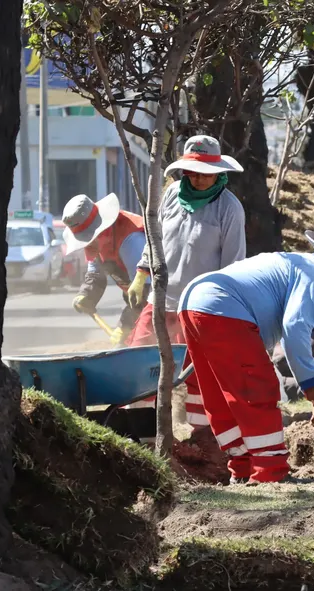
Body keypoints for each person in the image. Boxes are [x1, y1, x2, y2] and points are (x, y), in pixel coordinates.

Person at [177, 232, 314, 484]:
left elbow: (270, 335)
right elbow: (295, 328)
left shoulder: (295, 264)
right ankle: (270, 472)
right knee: (257, 389)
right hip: (223, 307)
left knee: (220, 392)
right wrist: (310, 381)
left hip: (194, 301)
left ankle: (243, 467)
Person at [125, 135, 247, 427]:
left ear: (218, 171)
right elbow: (155, 235)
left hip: (198, 309)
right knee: (138, 365)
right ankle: (139, 432)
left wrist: (223, 312)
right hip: (160, 299)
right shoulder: (171, 194)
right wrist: (142, 274)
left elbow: (234, 267)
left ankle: (200, 437)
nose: (199, 179)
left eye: (205, 173)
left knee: (197, 376)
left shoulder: (229, 209)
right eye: (193, 171)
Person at [62, 193, 147, 346]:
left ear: (101, 229)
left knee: (142, 345)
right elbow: (95, 273)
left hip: (159, 300)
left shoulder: (132, 240)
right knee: (126, 345)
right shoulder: (96, 243)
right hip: (137, 300)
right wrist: (86, 295)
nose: (86, 245)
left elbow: (145, 291)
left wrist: (124, 326)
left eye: (88, 238)